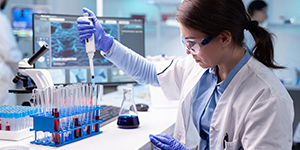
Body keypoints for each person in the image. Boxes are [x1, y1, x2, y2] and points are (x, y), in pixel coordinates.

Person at [77, 0, 294, 149]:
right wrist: (106, 44)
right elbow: (148, 72)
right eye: (185, 42)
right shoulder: (201, 68)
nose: (188, 52)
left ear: (225, 38)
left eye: (192, 43)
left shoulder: (268, 98)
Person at [0, 0, 23, 105]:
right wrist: (24, 70)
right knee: (6, 117)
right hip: (3, 78)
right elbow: (10, 54)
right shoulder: (1, 20)